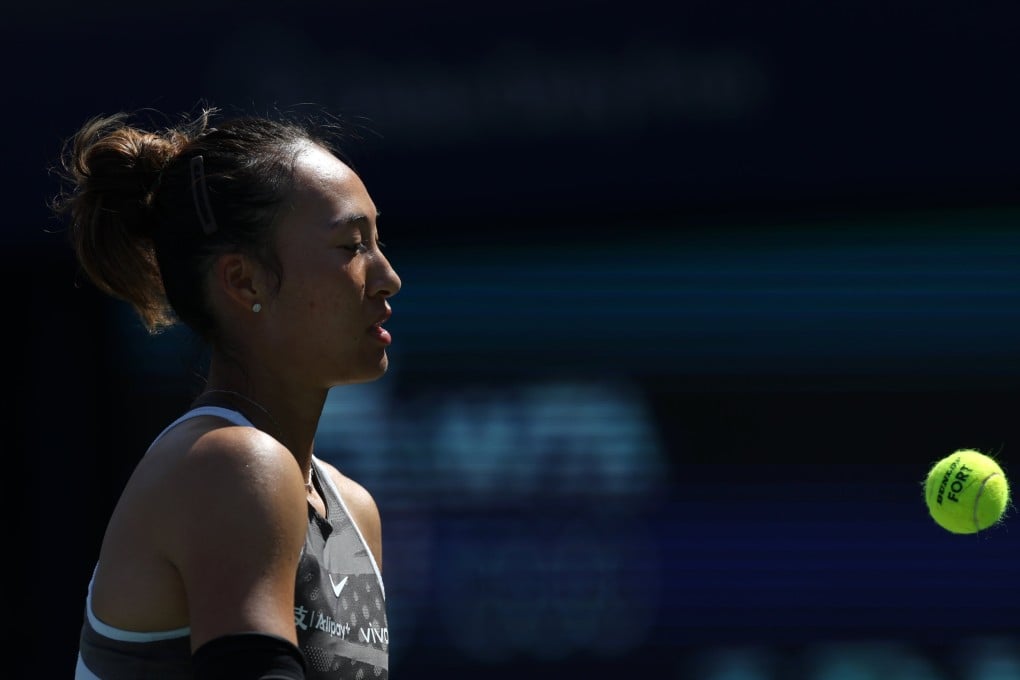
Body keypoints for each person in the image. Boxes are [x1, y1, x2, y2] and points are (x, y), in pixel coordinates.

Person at [51, 105, 401, 679]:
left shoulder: (353, 509)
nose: (387, 276)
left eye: (377, 241)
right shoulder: (234, 465)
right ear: (244, 281)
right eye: (350, 245)